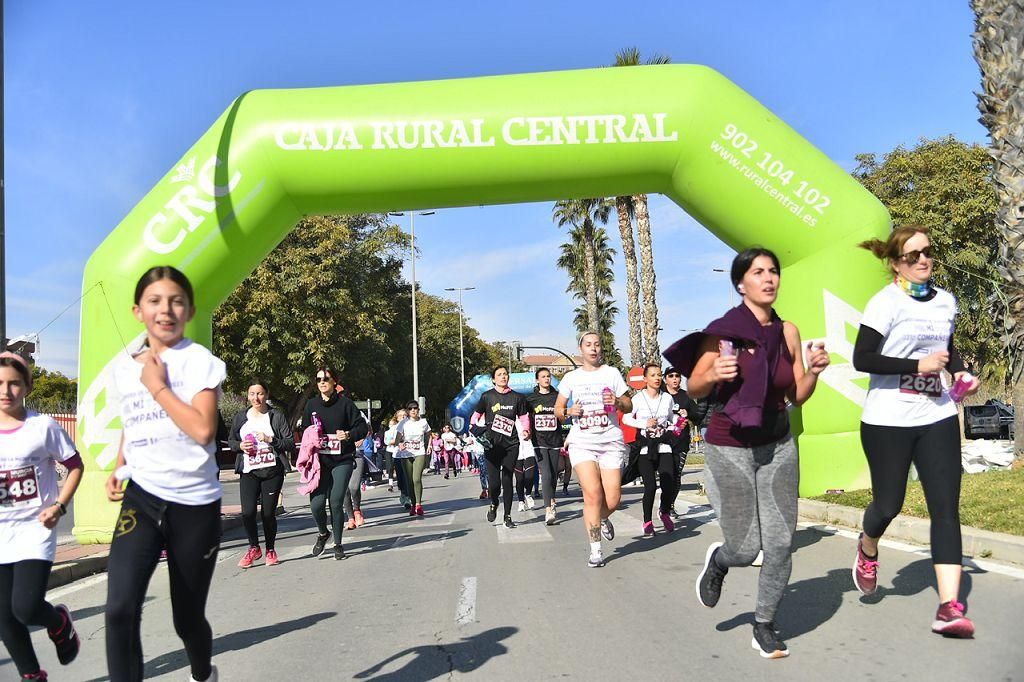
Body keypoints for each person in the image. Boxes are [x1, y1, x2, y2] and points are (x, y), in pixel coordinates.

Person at [666, 248, 829, 659]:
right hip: (729, 446)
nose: (769, 278)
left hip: (777, 444)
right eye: (759, 272)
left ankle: (764, 624)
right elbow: (696, 387)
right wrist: (713, 374)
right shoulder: (722, 333)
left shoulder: (787, 332)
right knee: (745, 547)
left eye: (773, 271)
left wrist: (813, 371)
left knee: (780, 542)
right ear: (742, 284)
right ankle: (720, 561)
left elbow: (797, 396)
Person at [851, 226, 979, 637]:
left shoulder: (945, 301)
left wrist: (960, 371)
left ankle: (949, 607)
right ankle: (868, 546)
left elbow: (948, 347)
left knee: (945, 508)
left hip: (937, 414)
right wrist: (915, 366)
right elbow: (862, 358)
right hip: (887, 418)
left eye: (928, 251)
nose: (923, 260)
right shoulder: (884, 303)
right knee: (888, 505)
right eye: (913, 255)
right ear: (896, 263)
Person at [104, 266, 227, 681]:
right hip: (142, 496)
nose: (165, 309)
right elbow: (134, 420)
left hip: (194, 505)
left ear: (189, 310)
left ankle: (202, 674)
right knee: (119, 609)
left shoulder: (199, 362)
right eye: (155, 301)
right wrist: (120, 464)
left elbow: (203, 429)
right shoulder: (124, 366)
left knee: (187, 621)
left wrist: (158, 385)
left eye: (176, 301)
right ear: (137, 310)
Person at [0, 352, 83, 681]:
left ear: (27, 387)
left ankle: (59, 623)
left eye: (14, 384)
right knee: (4, 617)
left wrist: (60, 506)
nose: (6, 391)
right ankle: (32, 676)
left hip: (36, 529)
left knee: (25, 607)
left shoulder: (42, 426)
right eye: (0, 384)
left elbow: (75, 466)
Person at [554, 332, 632, 567]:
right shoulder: (571, 378)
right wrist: (569, 412)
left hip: (610, 441)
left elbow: (628, 405)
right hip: (582, 442)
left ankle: (602, 518)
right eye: (588, 345)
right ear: (581, 349)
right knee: (592, 494)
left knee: (614, 498)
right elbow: (558, 409)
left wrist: (617, 403)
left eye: (597, 344)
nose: (593, 348)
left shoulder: (612, 373)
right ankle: (596, 549)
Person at [302, 366, 369, 560]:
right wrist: (313, 436)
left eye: (326, 378)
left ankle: (338, 543)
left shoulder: (345, 404)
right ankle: (323, 533)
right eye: (319, 379)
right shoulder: (311, 405)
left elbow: (362, 427)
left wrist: (348, 434)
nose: (322, 382)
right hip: (319, 461)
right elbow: (306, 430)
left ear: (334, 382)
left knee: (336, 500)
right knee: (315, 505)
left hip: (342, 460)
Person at [228, 380, 294, 569]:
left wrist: (270, 439)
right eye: (252, 394)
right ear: (248, 396)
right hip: (249, 471)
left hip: (272, 471)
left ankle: (270, 549)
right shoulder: (241, 417)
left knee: (267, 513)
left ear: (266, 395)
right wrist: (240, 446)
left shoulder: (276, 416)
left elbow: (289, 442)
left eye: (260, 393)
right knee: (248, 512)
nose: (256, 398)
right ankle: (254, 547)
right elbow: (231, 441)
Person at [622, 364, 679, 537]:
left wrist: (677, 421)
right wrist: (643, 424)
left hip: (664, 446)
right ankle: (647, 522)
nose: (657, 378)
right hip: (645, 448)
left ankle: (664, 511)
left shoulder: (667, 398)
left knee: (669, 482)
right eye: (653, 375)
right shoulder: (638, 399)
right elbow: (625, 418)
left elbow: (672, 416)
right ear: (645, 379)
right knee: (651, 486)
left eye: (659, 375)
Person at [470, 366, 531, 528]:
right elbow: (474, 419)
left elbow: (524, 417)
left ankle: (507, 516)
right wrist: (478, 430)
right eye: (499, 375)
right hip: (492, 445)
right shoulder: (487, 397)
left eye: (505, 374)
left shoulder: (517, 397)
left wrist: (526, 430)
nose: (503, 377)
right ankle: (494, 502)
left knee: (507, 479)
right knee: (494, 484)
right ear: (493, 379)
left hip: (511, 444)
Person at [527, 368, 565, 525]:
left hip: (555, 439)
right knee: (546, 473)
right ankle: (548, 509)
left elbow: (563, 417)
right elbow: (525, 418)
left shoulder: (557, 397)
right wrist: (526, 431)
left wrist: (562, 416)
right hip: (539, 441)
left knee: (554, 474)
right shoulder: (531, 399)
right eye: (543, 377)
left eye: (548, 376)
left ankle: (552, 497)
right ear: (537, 380)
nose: (546, 379)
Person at [663, 366, 701, 517]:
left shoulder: (686, 396)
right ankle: (665, 504)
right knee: (667, 474)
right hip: (663, 442)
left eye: (677, 376)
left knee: (677, 475)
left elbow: (698, 417)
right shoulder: (661, 395)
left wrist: (689, 413)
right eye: (671, 376)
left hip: (681, 442)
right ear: (666, 378)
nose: (674, 379)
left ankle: (669, 505)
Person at [396, 402, 431, 516]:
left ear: (418, 410)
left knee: (416, 479)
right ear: (408, 411)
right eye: (410, 409)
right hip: (406, 454)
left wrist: (429, 445)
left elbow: (429, 434)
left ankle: (418, 505)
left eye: (415, 408)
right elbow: (397, 438)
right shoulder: (403, 423)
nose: (413, 410)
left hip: (419, 452)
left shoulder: (423, 422)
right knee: (409, 481)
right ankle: (413, 504)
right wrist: (400, 443)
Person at [514, 418, 537, 513]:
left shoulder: (527, 416)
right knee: (519, 479)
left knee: (530, 476)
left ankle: (528, 494)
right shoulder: (510, 415)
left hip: (529, 448)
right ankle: (521, 501)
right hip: (516, 449)